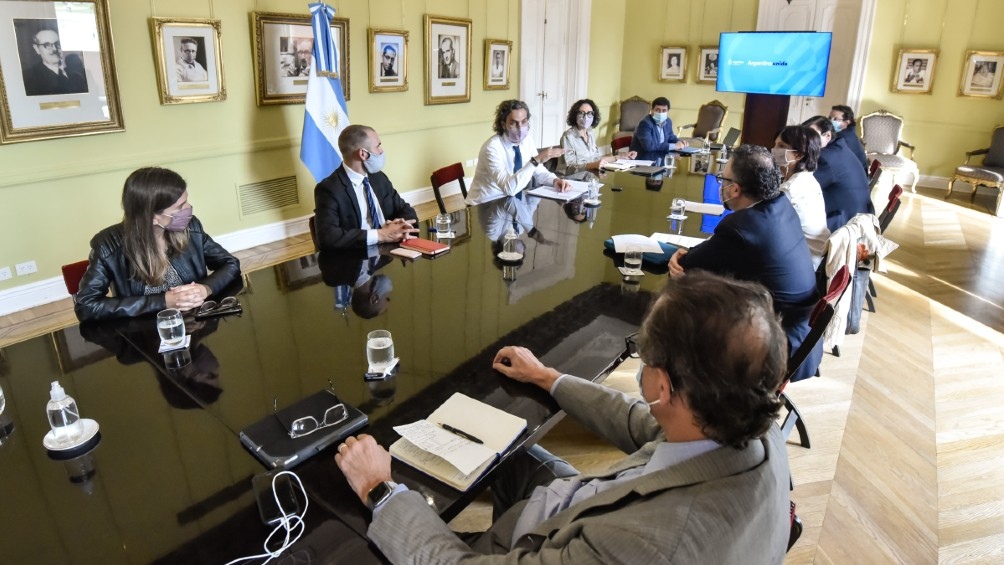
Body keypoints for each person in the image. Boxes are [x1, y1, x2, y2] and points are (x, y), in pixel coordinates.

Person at [334, 271, 791, 563]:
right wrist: (550, 378)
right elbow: (642, 422)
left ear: (665, 386)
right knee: (511, 446)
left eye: (643, 356)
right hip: (584, 503)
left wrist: (381, 490)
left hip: (557, 539)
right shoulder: (747, 419)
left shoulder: (638, 548)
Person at [669, 145, 821, 382]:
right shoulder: (781, 205)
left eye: (724, 179)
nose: (721, 185)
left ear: (735, 189)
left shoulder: (742, 226)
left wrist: (680, 257)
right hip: (802, 337)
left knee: (680, 321)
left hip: (774, 348)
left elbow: (687, 268)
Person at [75, 167, 241, 322]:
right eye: (180, 207)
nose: (189, 209)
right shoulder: (108, 245)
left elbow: (230, 264)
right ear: (152, 217)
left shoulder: (192, 228)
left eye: (187, 201)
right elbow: (86, 305)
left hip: (195, 325)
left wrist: (205, 288)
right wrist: (163, 301)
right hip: (144, 335)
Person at [313, 124, 419, 250]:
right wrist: (380, 235)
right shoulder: (329, 189)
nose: (381, 151)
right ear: (363, 154)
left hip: (389, 252)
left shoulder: (379, 177)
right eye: (378, 146)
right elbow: (328, 237)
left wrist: (401, 228)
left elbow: (406, 210)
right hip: (356, 256)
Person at [466, 100, 570, 205]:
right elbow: (509, 189)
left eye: (523, 122)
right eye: (514, 123)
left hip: (511, 201)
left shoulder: (527, 140)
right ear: (503, 124)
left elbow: (537, 170)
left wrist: (555, 180)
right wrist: (535, 160)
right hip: (486, 204)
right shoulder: (492, 148)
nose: (520, 128)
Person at [803, 116, 874, 232]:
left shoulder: (826, 158)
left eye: (811, 135)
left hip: (845, 224)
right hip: (858, 215)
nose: (806, 140)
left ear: (827, 136)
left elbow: (803, 188)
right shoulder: (839, 147)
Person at [774, 125, 830, 269]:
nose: (774, 150)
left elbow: (768, 228)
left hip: (798, 265)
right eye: (775, 144)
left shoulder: (791, 189)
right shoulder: (807, 179)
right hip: (810, 260)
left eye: (781, 146)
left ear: (798, 155)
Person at [559, 99, 634, 172]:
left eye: (589, 113)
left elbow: (596, 159)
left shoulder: (590, 133)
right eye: (581, 113)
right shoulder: (568, 136)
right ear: (575, 115)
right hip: (574, 180)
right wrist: (594, 165)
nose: (585, 117)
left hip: (590, 176)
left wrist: (621, 156)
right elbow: (569, 167)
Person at [22, 27, 87, 96]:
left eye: (57, 43)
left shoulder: (77, 74)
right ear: (36, 48)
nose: (54, 49)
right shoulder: (29, 78)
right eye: (47, 45)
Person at [629, 96, 688, 163]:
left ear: (667, 111)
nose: (660, 113)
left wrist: (680, 142)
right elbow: (649, 147)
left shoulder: (668, 121)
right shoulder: (645, 124)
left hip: (659, 157)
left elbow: (671, 137)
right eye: (657, 110)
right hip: (642, 160)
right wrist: (674, 146)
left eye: (664, 110)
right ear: (652, 110)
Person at [829, 105, 868, 174]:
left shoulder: (843, 137)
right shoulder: (849, 132)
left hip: (854, 176)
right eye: (830, 118)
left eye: (835, 119)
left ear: (847, 122)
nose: (830, 121)